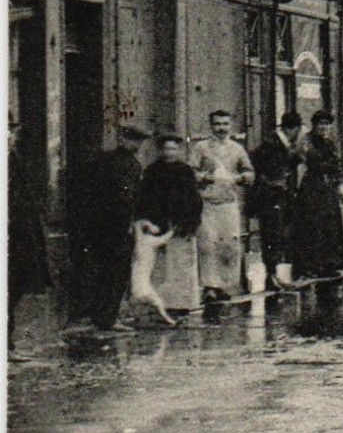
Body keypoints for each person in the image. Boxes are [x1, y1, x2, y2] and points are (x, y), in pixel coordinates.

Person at [67, 124, 147, 332]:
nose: (136, 144)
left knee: (99, 271)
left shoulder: (103, 160)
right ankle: (107, 318)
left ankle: (95, 314)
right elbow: (126, 199)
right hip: (117, 228)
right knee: (115, 273)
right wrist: (128, 224)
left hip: (96, 226)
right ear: (122, 140)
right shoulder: (130, 165)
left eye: (139, 141)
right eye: (134, 140)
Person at [131, 132, 204, 324]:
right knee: (161, 268)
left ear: (179, 150)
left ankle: (180, 304)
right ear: (160, 150)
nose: (169, 153)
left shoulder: (185, 171)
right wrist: (149, 220)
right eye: (165, 149)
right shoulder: (152, 171)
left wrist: (189, 223)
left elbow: (194, 199)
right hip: (159, 223)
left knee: (181, 264)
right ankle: (160, 304)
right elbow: (145, 198)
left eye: (173, 149)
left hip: (180, 223)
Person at [192, 110, 256, 310]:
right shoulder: (201, 147)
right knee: (207, 245)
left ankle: (225, 285)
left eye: (225, 124)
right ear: (210, 126)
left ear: (230, 126)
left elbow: (249, 171)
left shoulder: (237, 149)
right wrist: (205, 177)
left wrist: (241, 177)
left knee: (228, 245)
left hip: (228, 203)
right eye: (217, 124)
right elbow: (191, 171)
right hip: (208, 203)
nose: (221, 128)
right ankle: (210, 287)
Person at [290, 110, 343, 280]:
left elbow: (337, 166)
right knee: (311, 226)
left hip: (328, 188)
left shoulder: (330, 143)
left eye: (327, 124)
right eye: (321, 124)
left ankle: (330, 265)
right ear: (315, 125)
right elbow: (297, 161)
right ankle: (309, 267)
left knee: (330, 226)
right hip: (312, 188)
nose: (324, 127)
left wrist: (341, 186)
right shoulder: (306, 141)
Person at [9, 121, 52, 357]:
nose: (11, 136)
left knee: (13, 289)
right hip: (13, 236)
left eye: (11, 131)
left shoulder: (13, 157)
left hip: (19, 237)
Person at [251, 111, 304, 288]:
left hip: (279, 195)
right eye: (298, 130)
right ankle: (271, 276)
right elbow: (267, 169)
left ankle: (274, 275)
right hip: (270, 196)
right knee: (271, 235)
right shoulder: (271, 144)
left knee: (279, 234)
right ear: (293, 129)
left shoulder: (282, 144)